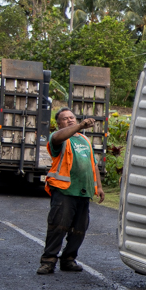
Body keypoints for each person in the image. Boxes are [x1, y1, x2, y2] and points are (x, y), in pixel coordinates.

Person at [38, 107, 105, 275]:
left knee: (79, 230)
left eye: (72, 117)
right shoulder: (58, 138)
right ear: (59, 124)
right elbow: (57, 138)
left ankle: (68, 259)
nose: (69, 120)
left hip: (83, 192)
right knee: (58, 227)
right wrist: (80, 126)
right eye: (65, 118)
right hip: (64, 190)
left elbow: (93, 164)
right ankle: (48, 261)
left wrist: (99, 187)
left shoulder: (84, 140)